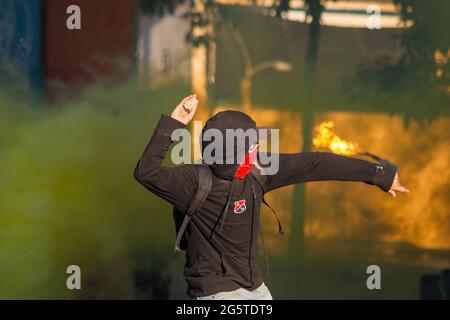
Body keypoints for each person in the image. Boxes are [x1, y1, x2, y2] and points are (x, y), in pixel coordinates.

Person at [134, 95, 409, 300]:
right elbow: (146, 173)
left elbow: (315, 163)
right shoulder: (193, 181)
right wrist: (175, 124)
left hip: (254, 289)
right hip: (215, 294)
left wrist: (378, 175)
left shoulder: (259, 171)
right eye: (252, 145)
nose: (258, 149)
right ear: (233, 151)